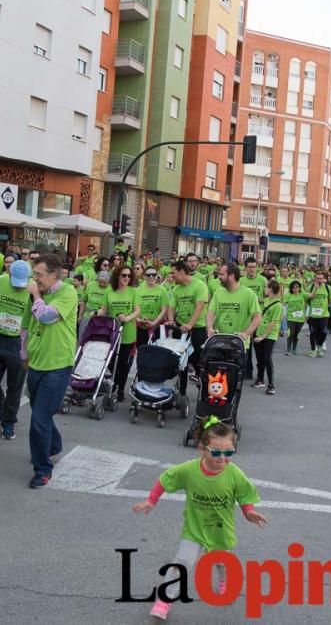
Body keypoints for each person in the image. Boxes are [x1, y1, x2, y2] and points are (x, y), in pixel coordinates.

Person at [132, 418, 268, 621]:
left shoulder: (234, 474)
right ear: (202, 450)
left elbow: (244, 495)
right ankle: (164, 600)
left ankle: (225, 583)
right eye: (216, 452)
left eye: (229, 452)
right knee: (181, 563)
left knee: (222, 560)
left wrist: (249, 513)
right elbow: (166, 478)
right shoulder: (189, 470)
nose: (222, 458)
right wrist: (151, 500)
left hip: (220, 529)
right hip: (194, 529)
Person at [25, 254, 77, 489]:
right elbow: (28, 324)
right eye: (34, 274)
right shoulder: (37, 295)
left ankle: (43, 469)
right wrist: (23, 355)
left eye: (39, 274)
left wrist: (36, 294)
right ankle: (53, 445)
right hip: (36, 363)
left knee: (39, 418)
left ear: (54, 275)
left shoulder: (67, 292)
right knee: (40, 413)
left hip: (57, 365)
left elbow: (46, 317)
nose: (35, 279)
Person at [0, 260, 32, 441]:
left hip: (19, 341)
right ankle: (0, 407)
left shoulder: (33, 289)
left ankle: (8, 422)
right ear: (9, 273)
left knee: (15, 386)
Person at [98, 265, 139, 403]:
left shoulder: (133, 291)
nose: (126, 278)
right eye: (123, 275)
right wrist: (96, 313)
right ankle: (114, 382)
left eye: (129, 275)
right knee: (110, 360)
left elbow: (137, 310)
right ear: (117, 276)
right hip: (112, 331)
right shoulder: (110, 291)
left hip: (127, 332)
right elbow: (104, 309)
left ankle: (120, 388)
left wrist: (127, 318)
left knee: (123, 363)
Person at [168, 261, 209, 398]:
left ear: (181, 272)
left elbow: (199, 307)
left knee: (198, 359)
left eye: (173, 273)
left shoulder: (199, 285)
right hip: (180, 327)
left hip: (198, 328)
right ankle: (182, 391)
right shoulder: (176, 289)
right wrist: (171, 320)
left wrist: (190, 324)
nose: (171, 276)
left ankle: (204, 388)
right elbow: (172, 307)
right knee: (181, 361)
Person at [206, 263, 261, 348]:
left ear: (231, 276)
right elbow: (211, 312)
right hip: (219, 342)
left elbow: (257, 317)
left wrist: (246, 334)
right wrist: (210, 328)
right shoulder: (218, 292)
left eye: (222, 274)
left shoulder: (249, 293)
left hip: (239, 344)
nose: (219, 277)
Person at [239, 258, 267, 380]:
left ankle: (260, 374)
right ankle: (247, 371)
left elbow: (268, 297)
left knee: (259, 347)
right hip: (246, 318)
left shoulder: (262, 280)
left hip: (259, 317)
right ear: (245, 268)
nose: (252, 269)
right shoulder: (241, 281)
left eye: (254, 266)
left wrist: (256, 299)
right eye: (250, 267)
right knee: (246, 347)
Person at [252, 280, 281, 395]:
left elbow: (273, 323)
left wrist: (263, 336)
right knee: (259, 358)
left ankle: (271, 384)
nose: (264, 289)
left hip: (270, 335)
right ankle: (260, 379)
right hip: (259, 331)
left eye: (266, 287)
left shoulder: (278, 305)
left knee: (267, 358)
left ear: (270, 289)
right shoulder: (267, 300)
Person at [134, 267, 169, 347]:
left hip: (157, 327)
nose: (151, 277)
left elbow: (164, 310)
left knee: (156, 352)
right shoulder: (138, 290)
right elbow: (134, 309)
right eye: (148, 275)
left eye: (153, 275)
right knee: (141, 351)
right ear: (144, 276)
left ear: (157, 276)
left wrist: (154, 323)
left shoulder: (162, 290)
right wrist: (138, 320)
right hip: (141, 327)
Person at [306, 272, 331, 358]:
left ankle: (320, 345)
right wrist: (306, 314)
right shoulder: (310, 288)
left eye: (321, 278)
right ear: (314, 279)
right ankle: (313, 349)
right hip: (313, 315)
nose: (319, 280)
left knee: (324, 332)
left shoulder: (328, 288)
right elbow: (306, 301)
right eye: (317, 278)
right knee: (313, 332)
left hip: (324, 315)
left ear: (324, 279)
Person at [283, 280, 306, 356]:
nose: (295, 288)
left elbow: (312, 296)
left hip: (300, 319)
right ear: (291, 288)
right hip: (291, 318)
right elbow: (283, 304)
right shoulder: (288, 295)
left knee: (296, 334)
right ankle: (288, 349)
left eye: (297, 287)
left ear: (299, 288)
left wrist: (316, 287)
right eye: (293, 287)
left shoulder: (302, 294)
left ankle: (294, 349)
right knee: (291, 333)